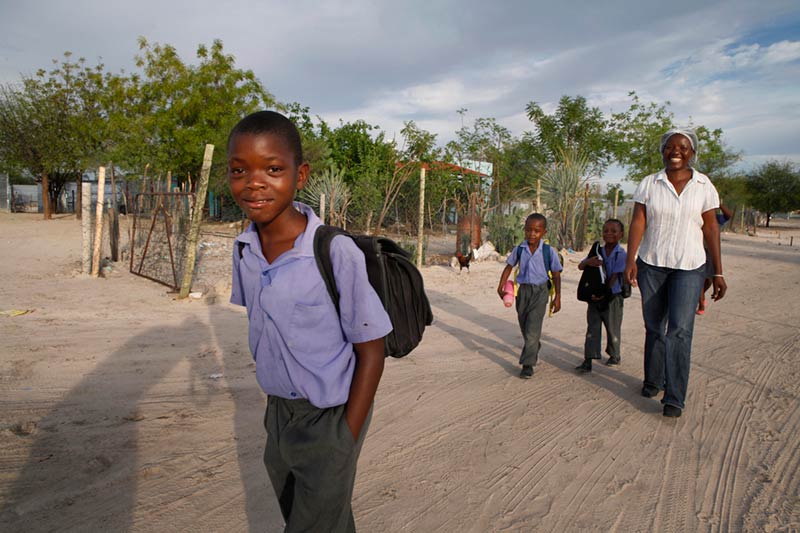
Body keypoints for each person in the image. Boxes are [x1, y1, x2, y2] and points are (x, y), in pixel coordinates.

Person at [228, 110, 392, 532]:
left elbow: (372, 349)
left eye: (273, 169)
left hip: (330, 416)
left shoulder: (334, 252)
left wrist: (345, 439)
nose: (255, 183)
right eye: (239, 170)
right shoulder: (244, 249)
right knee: (322, 521)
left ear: (300, 176)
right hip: (279, 417)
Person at [624, 128, 727, 418]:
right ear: (662, 151)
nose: (676, 151)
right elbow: (638, 222)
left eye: (683, 147)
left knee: (679, 330)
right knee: (655, 326)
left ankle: (674, 396)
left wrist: (717, 272)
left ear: (692, 152)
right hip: (652, 264)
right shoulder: (649, 184)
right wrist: (630, 259)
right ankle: (653, 379)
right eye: (670, 147)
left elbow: (711, 228)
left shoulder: (704, 186)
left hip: (690, 267)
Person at [497, 213, 563, 379]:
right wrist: (501, 285)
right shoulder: (520, 249)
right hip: (523, 292)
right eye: (528, 230)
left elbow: (556, 275)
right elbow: (509, 267)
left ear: (544, 233)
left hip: (540, 292)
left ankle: (528, 364)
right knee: (525, 325)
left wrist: (557, 297)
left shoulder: (549, 251)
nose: (532, 234)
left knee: (533, 327)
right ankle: (534, 345)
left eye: (536, 231)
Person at [575, 219, 627, 373]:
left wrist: (603, 294)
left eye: (613, 231)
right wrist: (588, 262)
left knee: (613, 327)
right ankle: (588, 359)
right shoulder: (597, 252)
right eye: (606, 230)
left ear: (621, 235)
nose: (609, 234)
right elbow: (580, 266)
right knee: (592, 327)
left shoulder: (621, 254)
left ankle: (614, 354)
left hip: (612, 296)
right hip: (595, 296)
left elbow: (614, 277)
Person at [697, 202, 734, 314]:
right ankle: (701, 303)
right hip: (696, 251)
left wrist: (719, 204)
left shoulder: (714, 219)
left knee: (708, 279)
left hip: (710, 252)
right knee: (698, 279)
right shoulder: (695, 218)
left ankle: (700, 297)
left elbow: (729, 215)